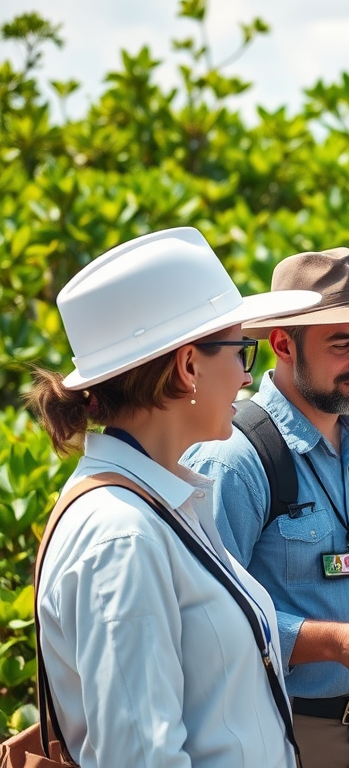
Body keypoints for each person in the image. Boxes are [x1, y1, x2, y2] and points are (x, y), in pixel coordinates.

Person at [26, 226, 321, 767]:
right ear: (188, 366)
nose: (246, 378)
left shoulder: (157, 503)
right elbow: (142, 756)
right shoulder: (123, 535)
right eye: (241, 351)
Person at [183, 247, 349, 768]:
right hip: (282, 733)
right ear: (282, 344)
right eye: (343, 343)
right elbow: (203, 619)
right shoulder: (235, 458)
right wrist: (332, 643)